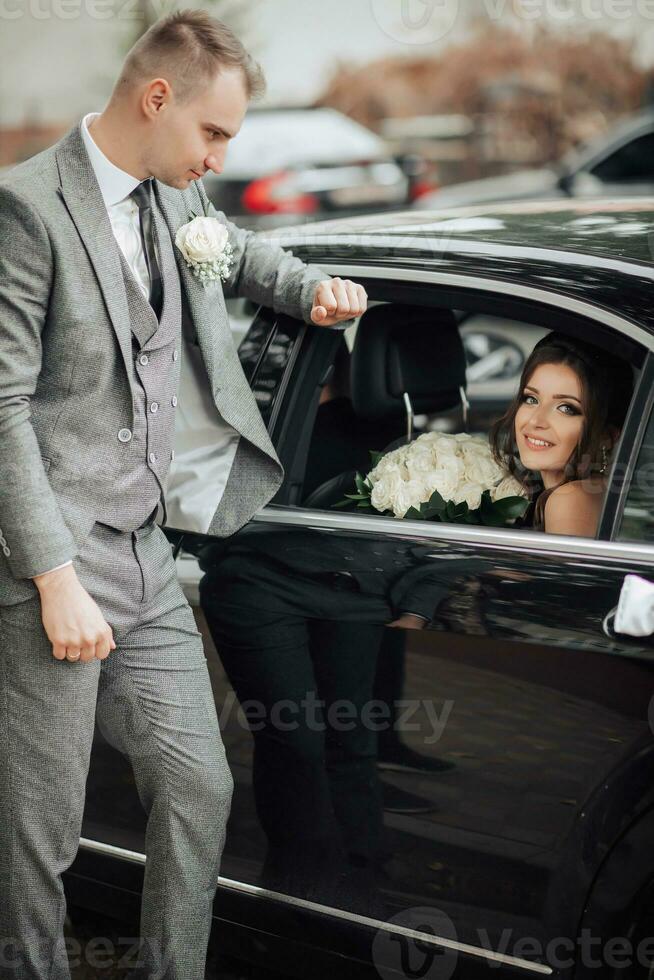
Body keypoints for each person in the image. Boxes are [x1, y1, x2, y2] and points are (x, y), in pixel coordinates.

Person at [0, 10, 367, 980]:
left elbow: (237, 254)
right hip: (52, 568)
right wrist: (50, 574)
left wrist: (311, 283)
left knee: (201, 784)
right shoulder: (26, 208)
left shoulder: (171, 199)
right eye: (214, 133)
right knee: (39, 838)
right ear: (156, 98)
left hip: (145, 552)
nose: (218, 157)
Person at [490, 331, 633, 537]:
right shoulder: (595, 491)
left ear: (607, 436)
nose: (536, 421)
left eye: (566, 408)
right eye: (531, 399)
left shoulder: (569, 498)